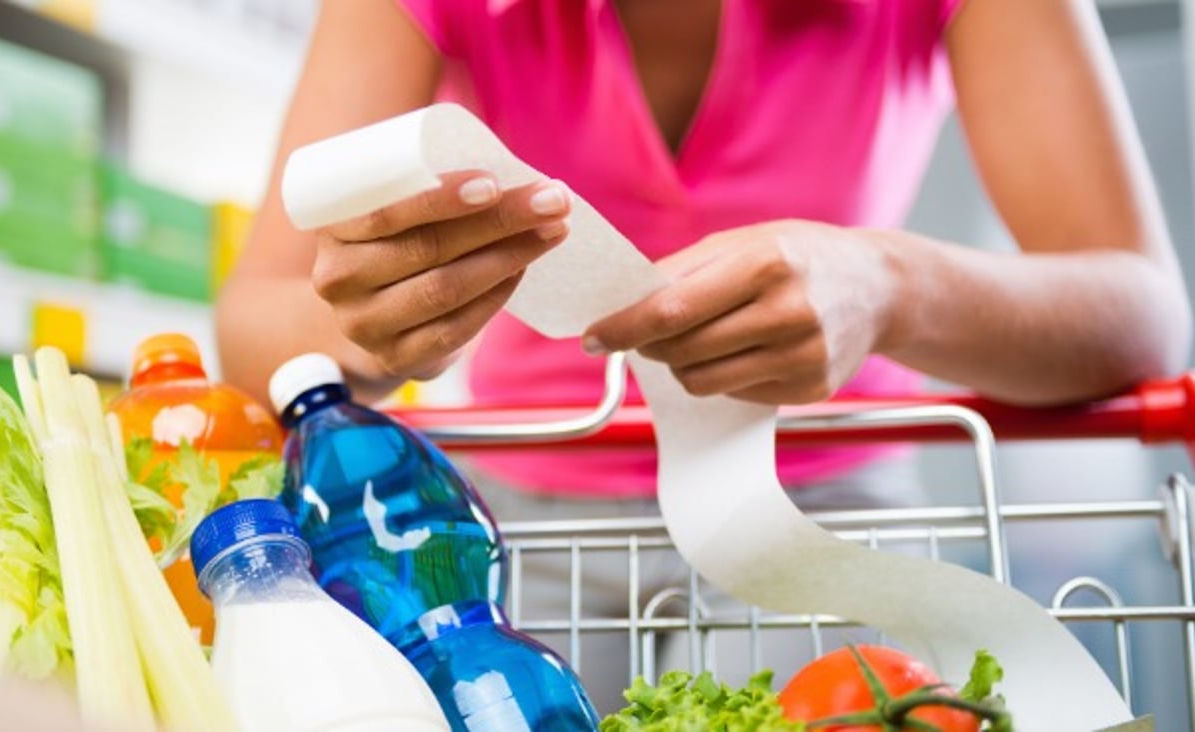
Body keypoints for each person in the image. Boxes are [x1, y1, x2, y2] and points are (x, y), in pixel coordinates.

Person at [217, 0, 1192, 710]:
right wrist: (372, 327)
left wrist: (891, 284)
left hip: (820, 508)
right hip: (513, 526)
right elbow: (254, 320)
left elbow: (1144, 314)